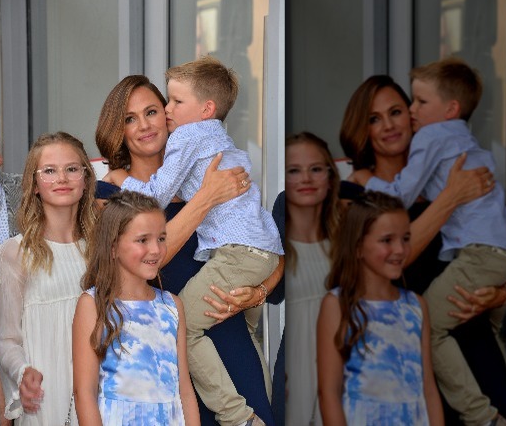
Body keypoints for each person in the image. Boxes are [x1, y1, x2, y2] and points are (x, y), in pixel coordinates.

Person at [104, 57, 282, 426]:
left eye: (154, 110)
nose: (147, 124)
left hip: (230, 341)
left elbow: (267, 249)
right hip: (167, 359)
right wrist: (205, 199)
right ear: (116, 129)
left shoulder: (210, 169)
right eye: (129, 118)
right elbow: (136, 269)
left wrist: (259, 293)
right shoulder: (111, 191)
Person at [351, 59, 506, 425]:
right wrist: (449, 198)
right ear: (361, 129)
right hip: (413, 367)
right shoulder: (354, 193)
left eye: (399, 110)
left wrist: (503, 293)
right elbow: (390, 264)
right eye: (374, 118)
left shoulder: (448, 166)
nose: (391, 124)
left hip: (474, 350)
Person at [0, 132, 97, 425]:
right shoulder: (16, 252)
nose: (61, 178)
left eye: (72, 169)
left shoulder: (102, 247)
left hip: (100, 390)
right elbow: (6, 338)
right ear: (35, 184)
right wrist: (23, 372)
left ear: (86, 178)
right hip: (46, 396)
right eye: (49, 171)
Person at [72, 190, 199, 425]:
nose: (156, 249)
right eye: (143, 240)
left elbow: (184, 390)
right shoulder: (93, 305)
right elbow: (84, 393)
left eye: (161, 238)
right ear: (113, 247)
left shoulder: (172, 306)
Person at [317, 190, 444, 425]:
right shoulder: (336, 305)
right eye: (387, 240)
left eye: (405, 238)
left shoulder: (417, 305)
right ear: (357, 246)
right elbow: (329, 393)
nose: (400, 249)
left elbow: (429, 388)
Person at [284, 132, 343, 426]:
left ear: (331, 177)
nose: (305, 178)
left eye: (316, 169)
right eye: (293, 170)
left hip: (341, 371)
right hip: (290, 371)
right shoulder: (274, 247)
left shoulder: (346, 244)